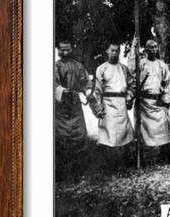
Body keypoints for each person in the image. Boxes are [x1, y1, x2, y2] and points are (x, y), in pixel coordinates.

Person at [54, 39, 90, 182]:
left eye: (67, 49)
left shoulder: (78, 66)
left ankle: (78, 173)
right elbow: (52, 84)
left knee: (79, 136)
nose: (65, 52)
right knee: (61, 138)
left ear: (72, 49)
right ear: (57, 50)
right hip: (60, 107)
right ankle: (60, 174)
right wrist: (62, 91)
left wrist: (87, 92)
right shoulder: (54, 67)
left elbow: (86, 84)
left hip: (75, 105)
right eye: (62, 49)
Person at [129, 38, 170, 150]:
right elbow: (132, 73)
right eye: (151, 47)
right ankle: (144, 154)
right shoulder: (141, 64)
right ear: (146, 49)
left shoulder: (161, 65)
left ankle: (161, 153)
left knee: (161, 127)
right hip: (143, 102)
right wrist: (134, 45)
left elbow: (168, 84)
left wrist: (165, 100)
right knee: (143, 130)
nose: (153, 50)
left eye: (155, 47)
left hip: (157, 102)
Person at [92, 42, 135, 153]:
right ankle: (109, 160)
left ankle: (124, 158)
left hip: (121, 103)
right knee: (109, 133)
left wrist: (129, 97)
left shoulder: (124, 69)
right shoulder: (102, 69)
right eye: (112, 51)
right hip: (108, 104)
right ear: (107, 51)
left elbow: (132, 84)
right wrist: (99, 107)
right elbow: (97, 90)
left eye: (117, 51)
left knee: (124, 132)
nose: (115, 53)